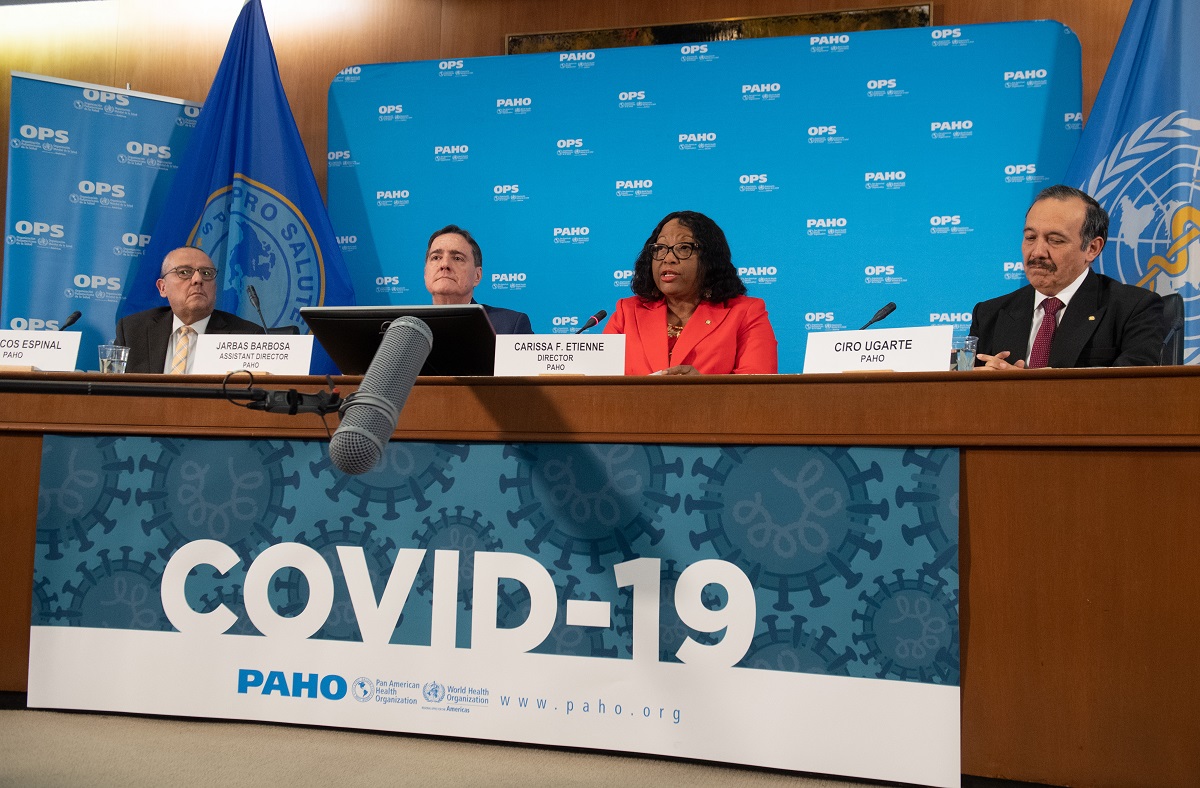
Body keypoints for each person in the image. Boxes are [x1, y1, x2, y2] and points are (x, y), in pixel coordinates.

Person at [971, 185, 1165, 369]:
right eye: (1030, 237)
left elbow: (1133, 390)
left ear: (1092, 248)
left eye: (1055, 240)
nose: (1037, 252)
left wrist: (1025, 387)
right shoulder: (989, 314)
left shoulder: (1134, 309)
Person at [604, 210, 778, 375]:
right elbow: (599, 385)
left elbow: (757, 391)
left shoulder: (745, 313)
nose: (668, 258)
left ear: (709, 258)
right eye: (660, 248)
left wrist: (701, 390)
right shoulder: (627, 313)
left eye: (684, 248)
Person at [115, 246, 262, 374]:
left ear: (215, 288)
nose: (197, 279)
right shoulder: (132, 330)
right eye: (184, 272)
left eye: (206, 273)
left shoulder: (247, 336)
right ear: (162, 287)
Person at [424, 224, 533, 333]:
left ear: (477, 275)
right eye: (436, 257)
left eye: (457, 258)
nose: (444, 264)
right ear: (425, 273)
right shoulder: (409, 328)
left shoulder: (510, 325)